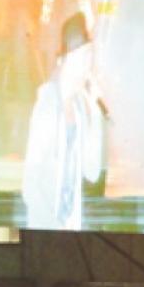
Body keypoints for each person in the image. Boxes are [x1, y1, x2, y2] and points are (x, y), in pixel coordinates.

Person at [21, 12, 108, 231]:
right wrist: (46, 225)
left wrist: (95, 112)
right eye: (81, 58)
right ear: (63, 61)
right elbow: (31, 180)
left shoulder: (80, 109)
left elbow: (92, 171)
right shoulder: (48, 104)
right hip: (44, 226)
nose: (86, 67)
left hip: (69, 226)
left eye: (89, 58)